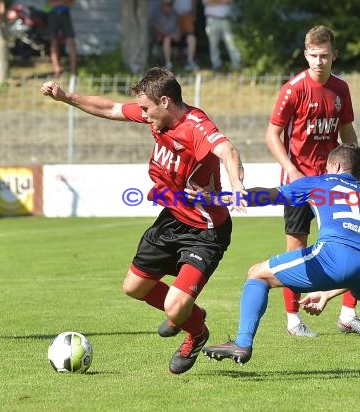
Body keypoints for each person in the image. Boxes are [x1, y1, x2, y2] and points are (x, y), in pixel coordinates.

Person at [40, 67, 247, 375]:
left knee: (174, 307)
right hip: (171, 219)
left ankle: (196, 331)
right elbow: (109, 108)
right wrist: (66, 97)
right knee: (134, 287)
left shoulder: (195, 125)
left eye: (147, 109)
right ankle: (188, 314)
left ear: (165, 101)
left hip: (205, 230)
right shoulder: (157, 116)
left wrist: (238, 187)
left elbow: (226, 149)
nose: (144, 115)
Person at [201, 144, 360, 379]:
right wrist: (327, 294)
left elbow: (270, 196)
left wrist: (217, 198)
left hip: (334, 255)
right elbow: (357, 262)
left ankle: (242, 343)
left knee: (257, 273)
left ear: (336, 166)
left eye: (328, 167)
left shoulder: (319, 182)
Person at [265, 24, 360, 337]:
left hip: (335, 180)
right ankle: (293, 320)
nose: (318, 61)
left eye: (324, 56)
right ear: (305, 55)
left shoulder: (341, 89)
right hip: (300, 179)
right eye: (313, 55)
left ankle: (348, 315)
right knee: (295, 250)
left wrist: (359, 176)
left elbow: (347, 133)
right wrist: (291, 170)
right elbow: (272, 134)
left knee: (356, 244)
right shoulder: (293, 89)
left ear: (334, 56)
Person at [202, 0, 241, 72]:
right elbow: (207, 2)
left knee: (231, 43)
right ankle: (216, 65)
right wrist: (222, 2)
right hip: (212, 19)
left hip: (226, 19)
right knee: (213, 44)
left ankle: (237, 65)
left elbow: (230, 1)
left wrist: (216, 1)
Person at [46, 0, 77, 77]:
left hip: (65, 15)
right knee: (53, 43)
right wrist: (63, 2)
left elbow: (71, 3)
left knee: (71, 42)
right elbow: (50, 4)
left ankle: (73, 70)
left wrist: (59, 2)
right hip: (53, 15)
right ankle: (57, 70)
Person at [150, 0, 183, 70]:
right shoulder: (157, 15)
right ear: (162, 5)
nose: (168, 7)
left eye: (169, 5)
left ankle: (189, 61)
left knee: (191, 38)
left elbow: (179, 25)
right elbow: (157, 29)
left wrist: (178, 33)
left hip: (175, 36)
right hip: (162, 37)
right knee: (167, 39)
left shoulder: (174, 14)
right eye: (166, 5)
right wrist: (171, 35)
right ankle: (168, 63)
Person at [173, 0, 198, 71]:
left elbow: (194, 2)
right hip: (175, 16)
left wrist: (194, 13)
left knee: (191, 38)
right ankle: (173, 61)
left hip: (188, 16)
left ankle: (190, 61)